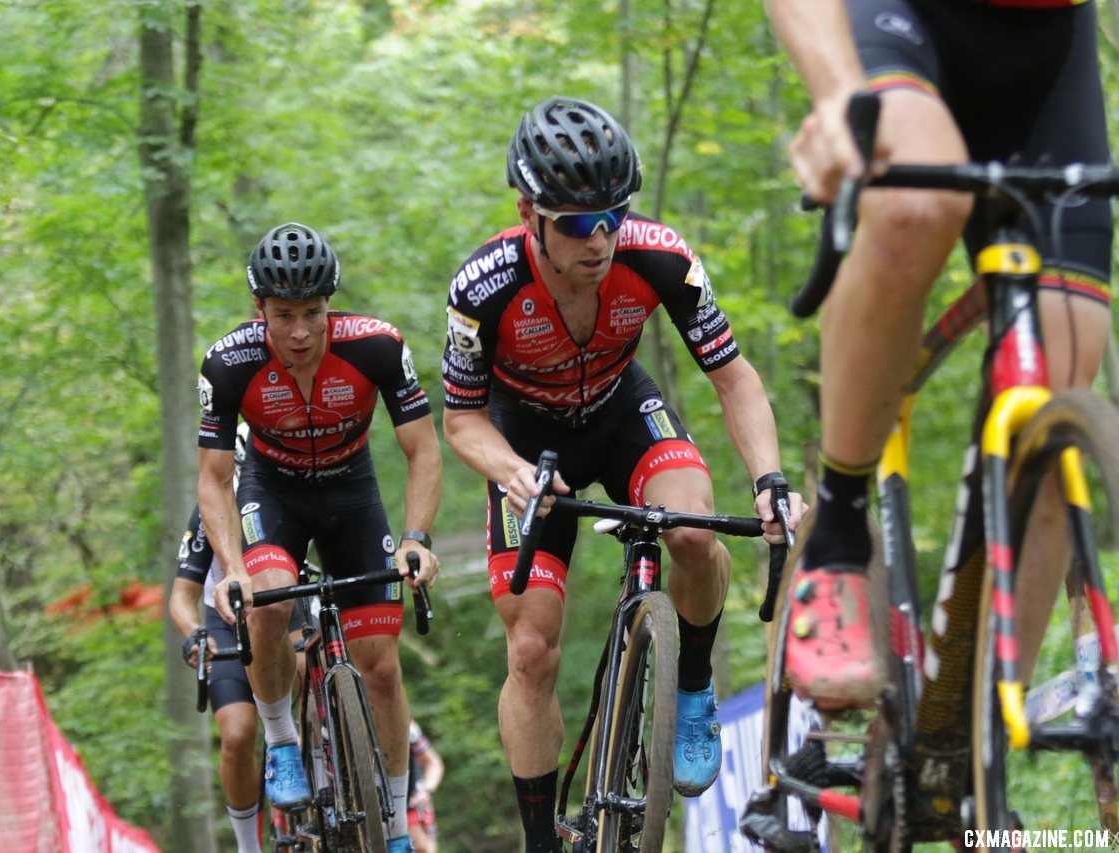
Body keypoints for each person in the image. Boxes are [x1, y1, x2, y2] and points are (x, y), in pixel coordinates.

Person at [440, 96, 804, 851]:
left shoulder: (659, 256)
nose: (599, 237)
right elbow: (460, 422)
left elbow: (734, 379)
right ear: (529, 214)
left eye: (613, 216)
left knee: (696, 532)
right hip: (525, 442)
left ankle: (692, 681)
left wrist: (769, 478)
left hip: (619, 413)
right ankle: (541, 836)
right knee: (532, 649)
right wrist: (510, 471)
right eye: (576, 221)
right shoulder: (483, 287)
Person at [762, 0, 1114, 713]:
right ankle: (835, 545)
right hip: (902, 20)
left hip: (1049, 50)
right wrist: (836, 96)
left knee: (1058, 382)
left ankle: (973, 732)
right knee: (914, 201)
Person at [201, 222, 443, 853]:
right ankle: (282, 740)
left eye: (314, 313)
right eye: (284, 316)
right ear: (259, 311)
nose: (301, 332)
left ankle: (393, 828)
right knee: (271, 598)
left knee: (381, 669)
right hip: (273, 490)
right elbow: (214, 477)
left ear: (331, 304)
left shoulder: (377, 348)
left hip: (351, 492)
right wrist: (230, 566)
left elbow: (422, 449)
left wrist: (416, 536)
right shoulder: (229, 363)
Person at [170, 424, 264, 853]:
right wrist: (194, 634)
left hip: (284, 611)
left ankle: (322, 764)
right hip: (226, 619)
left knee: (304, 666)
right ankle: (248, 845)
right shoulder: (206, 512)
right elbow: (181, 598)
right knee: (237, 734)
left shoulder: (283, 500)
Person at [406, 719, 444, 853]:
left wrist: (426, 790)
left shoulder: (408, 727)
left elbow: (433, 763)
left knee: (422, 847)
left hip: (413, 801)